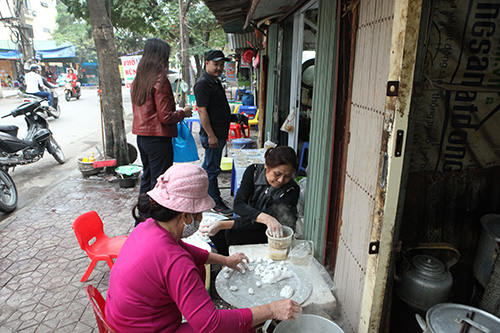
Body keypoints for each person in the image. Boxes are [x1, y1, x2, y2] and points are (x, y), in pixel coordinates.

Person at [105, 164, 302, 332]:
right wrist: (271, 310)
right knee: (240, 327)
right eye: (199, 214)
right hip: (145, 329)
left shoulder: (148, 227)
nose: (200, 219)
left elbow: (183, 249)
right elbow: (210, 324)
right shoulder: (176, 263)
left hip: (121, 319)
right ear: (185, 216)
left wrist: (224, 260)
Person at [200, 146, 300, 256]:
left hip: (272, 232)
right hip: (254, 221)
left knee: (231, 233)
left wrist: (222, 225)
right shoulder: (253, 171)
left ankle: (232, 261)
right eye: (277, 174)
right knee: (217, 233)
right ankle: (225, 262)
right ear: (267, 165)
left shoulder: (292, 190)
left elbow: (259, 225)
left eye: (287, 176)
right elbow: (238, 206)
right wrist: (266, 218)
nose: (281, 180)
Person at [132, 37, 192, 196]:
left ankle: (142, 217)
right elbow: (165, 117)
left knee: (148, 178)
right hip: (158, 139)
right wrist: (183, 113)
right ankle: (154, 219)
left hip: (142, 138)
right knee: (159, 182)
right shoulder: (160, 80)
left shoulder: (139, 80)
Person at [194, 50, 232, 216]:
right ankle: (214, 202)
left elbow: (216, 108)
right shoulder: (203, 83)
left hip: (219, 132)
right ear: (207, 63)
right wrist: (211, 135)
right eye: (216, 64)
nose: (219, 68)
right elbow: (202, 111)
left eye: (221, 65)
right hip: (213, 134)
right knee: (212, 169)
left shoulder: (214, 81)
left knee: (209, 167)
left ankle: (201, 195)